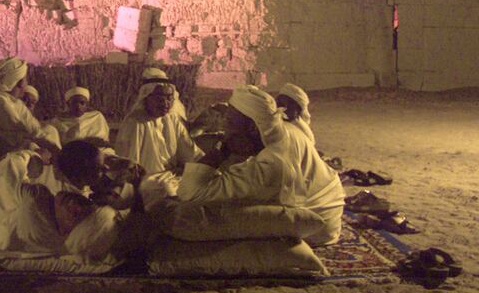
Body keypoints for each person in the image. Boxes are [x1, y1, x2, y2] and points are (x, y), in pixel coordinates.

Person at [176, 85, 345, 246]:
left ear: (253, 128)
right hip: (329, 207)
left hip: (317, 225)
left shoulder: (268, 165)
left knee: (211, 215)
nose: (224, 128)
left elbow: (190, 193)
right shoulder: (283, 130)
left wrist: (220, 151)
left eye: (230, 122)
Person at [0, 57, 60, 178]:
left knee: (50, 131)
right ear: (20, 82)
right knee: (42, 163)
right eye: (25, 79)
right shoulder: (0, 104)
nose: (26, 83)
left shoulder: (14, 102)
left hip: (6, 159)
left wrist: (54, 150)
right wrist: (55, 153)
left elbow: (35, 130)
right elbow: (24, 134)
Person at [114, 77, 203, 176]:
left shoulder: (173, 119)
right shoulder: (135, 122)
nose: (165, 103)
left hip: (171, 176)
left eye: (169, 98)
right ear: (146, 98)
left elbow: (190, 152)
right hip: (147, 179)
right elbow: (129, 163)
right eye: (159, 99)